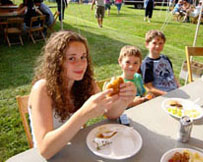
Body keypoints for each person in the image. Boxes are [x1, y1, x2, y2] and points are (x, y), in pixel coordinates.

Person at [28, 31, 136, 159]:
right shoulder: (42, 89)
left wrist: (124, 100)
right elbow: (45, 150)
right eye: (71, 58)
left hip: (78, 148)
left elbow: (111, 113)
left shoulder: (85, 82)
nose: (80, 64)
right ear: (57, 61)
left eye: (83, 57)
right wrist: (83, 115)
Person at [141, 30, 180, 97]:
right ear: (147, 44)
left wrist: (179, 87)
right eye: (154, 43)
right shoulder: (147, 64)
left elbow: (172, 75)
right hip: (162, 95)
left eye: (160, 43)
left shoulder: (165, 59)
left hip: (175, 91)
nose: (157, 46)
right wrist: (166, 94)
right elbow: (149, 87)